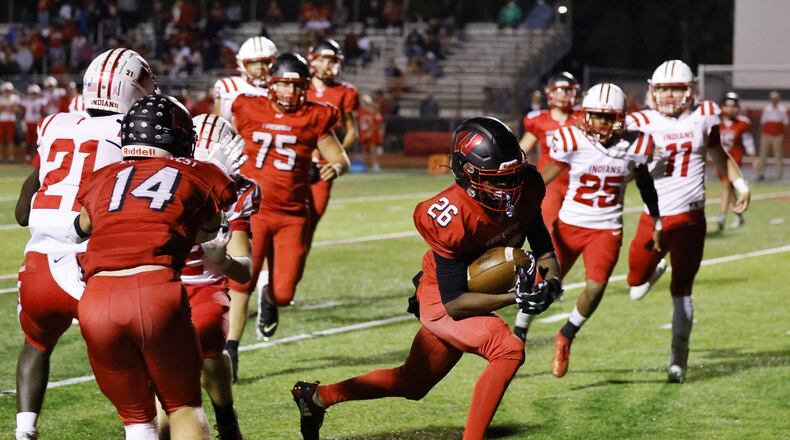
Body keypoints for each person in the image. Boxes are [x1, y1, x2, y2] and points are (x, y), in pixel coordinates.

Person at [291, 117, 562, 440]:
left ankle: (316, 397)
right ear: (469, 174)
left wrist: (551, 282)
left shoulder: (526, 186)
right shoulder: (448, 214)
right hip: (441, 297)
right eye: (498, 180)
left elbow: (544, 250)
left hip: (467, 294)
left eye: (513, 176)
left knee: (412, 383)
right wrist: (516, 297)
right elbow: (456, 303)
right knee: (508, 348)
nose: (511, 187)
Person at [74, 94, 237, 439]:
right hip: (153, 289)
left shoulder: (103, 175)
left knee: (137, 422)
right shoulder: (200, 172)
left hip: (96, 300)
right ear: (177, 136)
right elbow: (210, 231)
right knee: (183, 406)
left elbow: (82, 227)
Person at [13, 48, 157, 440]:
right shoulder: (130, 131)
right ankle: (141, 430)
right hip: (88, 265)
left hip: (36, 264)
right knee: (140, 356)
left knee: (36, 342)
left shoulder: (55, 123)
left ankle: (24, 430)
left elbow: (23, 211)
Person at [627, 60, 750, 383]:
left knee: (682, 290)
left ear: (691, 90)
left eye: (676, 88)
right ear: (653, 90)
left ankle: (678, 359)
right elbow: (625, 172)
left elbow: (718, 151)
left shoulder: (705, 115)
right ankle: (654, 274)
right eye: (663, 88)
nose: (669, 95)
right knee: (635, 286)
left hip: (692, 216)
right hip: (653, 218)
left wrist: (739, 183)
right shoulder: (639, 121)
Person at [536, 83, 661, 377]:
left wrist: (657, 218)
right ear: (584, 114)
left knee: (595, 287)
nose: (601, 123)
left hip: (606, 228)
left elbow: (645, 184)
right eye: (596, 116)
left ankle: (566, 335)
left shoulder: (636, 144)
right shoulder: (571, 139)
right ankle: (519, 331)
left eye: (608, 117)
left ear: (620, 118)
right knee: (541, 289)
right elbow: (543, 179)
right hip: (569, 224)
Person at [232, 53, 349, 341]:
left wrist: (335, 167)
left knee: (284, 293)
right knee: (241, 282)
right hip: (252, 211)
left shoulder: (313, 115)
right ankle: (229, 348)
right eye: (284, 84)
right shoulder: (249, 107)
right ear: (272, 84)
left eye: (297, 86)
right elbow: (231, 141)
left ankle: (270, 300)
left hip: (292, 214)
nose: (290, 92)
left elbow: (339, 156)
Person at [154, 113, 255, 440]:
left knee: (206, 351)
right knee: (164, 385)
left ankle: (225, 415)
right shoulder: (162, 178)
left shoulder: (236, 192)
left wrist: (222, 259)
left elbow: (244, 268)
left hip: (206, 287)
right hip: (160, 285)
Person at [513, 72, 579, 340]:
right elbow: (523, 148)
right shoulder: (538, 120)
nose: (564, 95)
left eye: (568, 90)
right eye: (559, 90)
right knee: (547, 238)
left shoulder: (582, 118)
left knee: (571, 236)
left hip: (576, 184)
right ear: (550, 92)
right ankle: (544, 282)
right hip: (549, 184)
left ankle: (551, 282)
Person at [213, 36, 276, 123]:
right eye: (253, 62)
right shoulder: (229, 86)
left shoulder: (279, 88)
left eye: (265, 62)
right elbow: (218, 123)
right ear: (242, 64)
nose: (260, 66)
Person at [715, 92, 754, 230]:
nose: (730, 109)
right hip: (718, 159)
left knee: (727, 185)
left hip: (734, 159)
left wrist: (753, 156)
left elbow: (748, 141)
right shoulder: (715, 122)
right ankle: (738, 215)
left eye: (733, 106)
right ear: (722, 106)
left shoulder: (742, 123)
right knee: (730, 188)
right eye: (727, 106)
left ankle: (722, 215)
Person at [756, 91, 787, 180]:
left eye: (776, 99)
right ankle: (760, 173)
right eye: (773, 99)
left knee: (778, 155)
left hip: (777, 135)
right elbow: (763, 121)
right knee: (762, 154)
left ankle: (779, 174)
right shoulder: (767, 108)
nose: (774, 100)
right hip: (766, 135)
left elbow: (785, 122)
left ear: (778, 99)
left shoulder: (782, 109)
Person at [357, 93, 384, 171]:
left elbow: (376, 123)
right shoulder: (361, 112)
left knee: (373, 149)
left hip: (371, 133)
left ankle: (375, 164)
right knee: (364, 150)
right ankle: (363, 164)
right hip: (363, 132)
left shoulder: (372, 112)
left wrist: (370, 132)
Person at [20, 85, 46, 162]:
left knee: (37, 141)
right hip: (28, 123)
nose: (33, 95)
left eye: (35, 93)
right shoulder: (25, 101)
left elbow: (43, 113)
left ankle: (36, 156)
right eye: (32, 93)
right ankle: (27, 156)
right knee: (28, 140)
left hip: (37, 123)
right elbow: (22, 112)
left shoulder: (41, 101)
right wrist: (22, 121)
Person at [0, 81, 20, 163]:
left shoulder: (14, 98)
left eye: (9, 91)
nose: (7, 92)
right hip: (1, 120)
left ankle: (11, 158)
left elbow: (17, 110)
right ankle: (0, 157)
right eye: (6, 90)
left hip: (11, 120)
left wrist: (12, 107)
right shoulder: (1, 98)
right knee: (0, 140)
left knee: (10, 140)